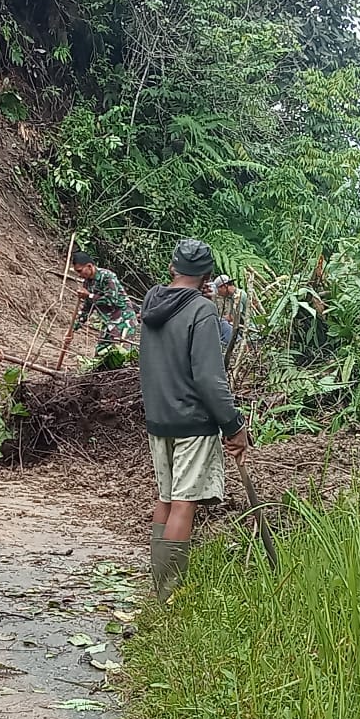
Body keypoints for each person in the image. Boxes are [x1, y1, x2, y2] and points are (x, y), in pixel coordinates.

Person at [139, 239, 248, 603]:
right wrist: (233, 425)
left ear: (172, 268)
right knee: (184, 502)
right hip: (191, 421)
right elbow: (209, 378)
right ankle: (169, 594)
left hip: (158, 418)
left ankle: (158, 588)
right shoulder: (201, 310)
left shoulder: (152, 303)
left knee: (166, 498)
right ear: (207, 277)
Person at [71, 252, 139, 353]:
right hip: (109, 324)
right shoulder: (87, 284)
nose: (80, 275)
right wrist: (73, 329)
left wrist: (90, 296)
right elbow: (87, 308)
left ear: (89, 266)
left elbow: (112, 300)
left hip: (124, 322)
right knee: (100, 353)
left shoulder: (107, 276)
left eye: (80, 271)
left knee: (121, 354)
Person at [212, 275, 248, 346]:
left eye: (218, 289)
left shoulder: (239, 295)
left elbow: (234, 317)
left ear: (224, 286)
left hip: (247, 330)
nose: (218, 293)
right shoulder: (232, 297)